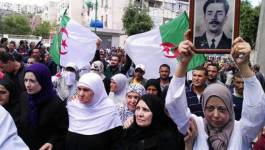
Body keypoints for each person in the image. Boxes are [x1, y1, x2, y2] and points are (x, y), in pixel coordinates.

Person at [166, 33, 265, 149]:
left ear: (230, 106)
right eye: (210, 108)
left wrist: (243, 66)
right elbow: (173, 103)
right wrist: (183, 64)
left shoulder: (242, 131)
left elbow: (257, 107)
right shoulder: (196, 127)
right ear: (203, 107)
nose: (216, 115)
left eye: (222, 109)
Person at [66, 72, 123, 150]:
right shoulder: (72, 107)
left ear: (96, 90)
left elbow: (116, 142)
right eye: (79, 89)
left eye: (86, 90)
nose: (81, 94)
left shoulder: (109, 110)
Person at [18, 63, 69, 150]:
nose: (27, 85)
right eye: (25, 80)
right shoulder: (24, 97)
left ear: (43, 81)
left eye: (32, 81)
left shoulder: (56, 104)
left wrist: (51, 142)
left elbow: (62, 131)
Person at [118, 94, 184, 150]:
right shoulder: (127, 133)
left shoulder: (167, 140)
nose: (139, 114)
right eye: (137, 108)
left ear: (156, 113)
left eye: (145, 110)